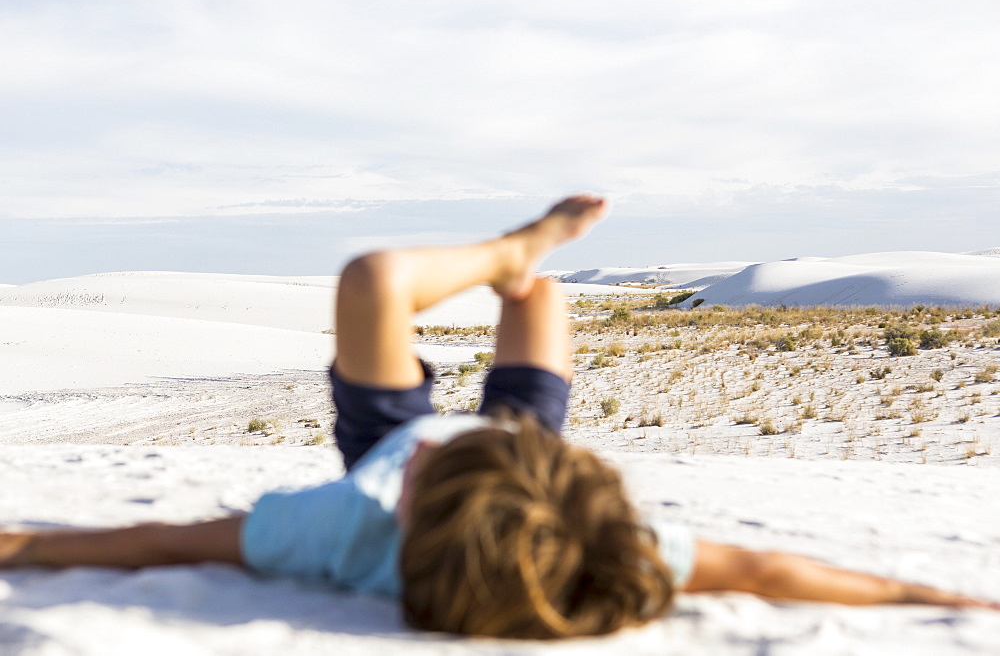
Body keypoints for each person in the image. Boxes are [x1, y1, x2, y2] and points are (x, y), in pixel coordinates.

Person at [0, 195, 996, 639]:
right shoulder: (598, 537)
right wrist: (930, 593)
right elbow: (771, 571)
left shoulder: (347, 524)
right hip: (527, 453)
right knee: (541, 304)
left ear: (408, 514)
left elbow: (158, 540)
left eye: (418, 490)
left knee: (373, 281)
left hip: (386, 434)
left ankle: (510, 246)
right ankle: (523, 265)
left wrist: (19, 546)